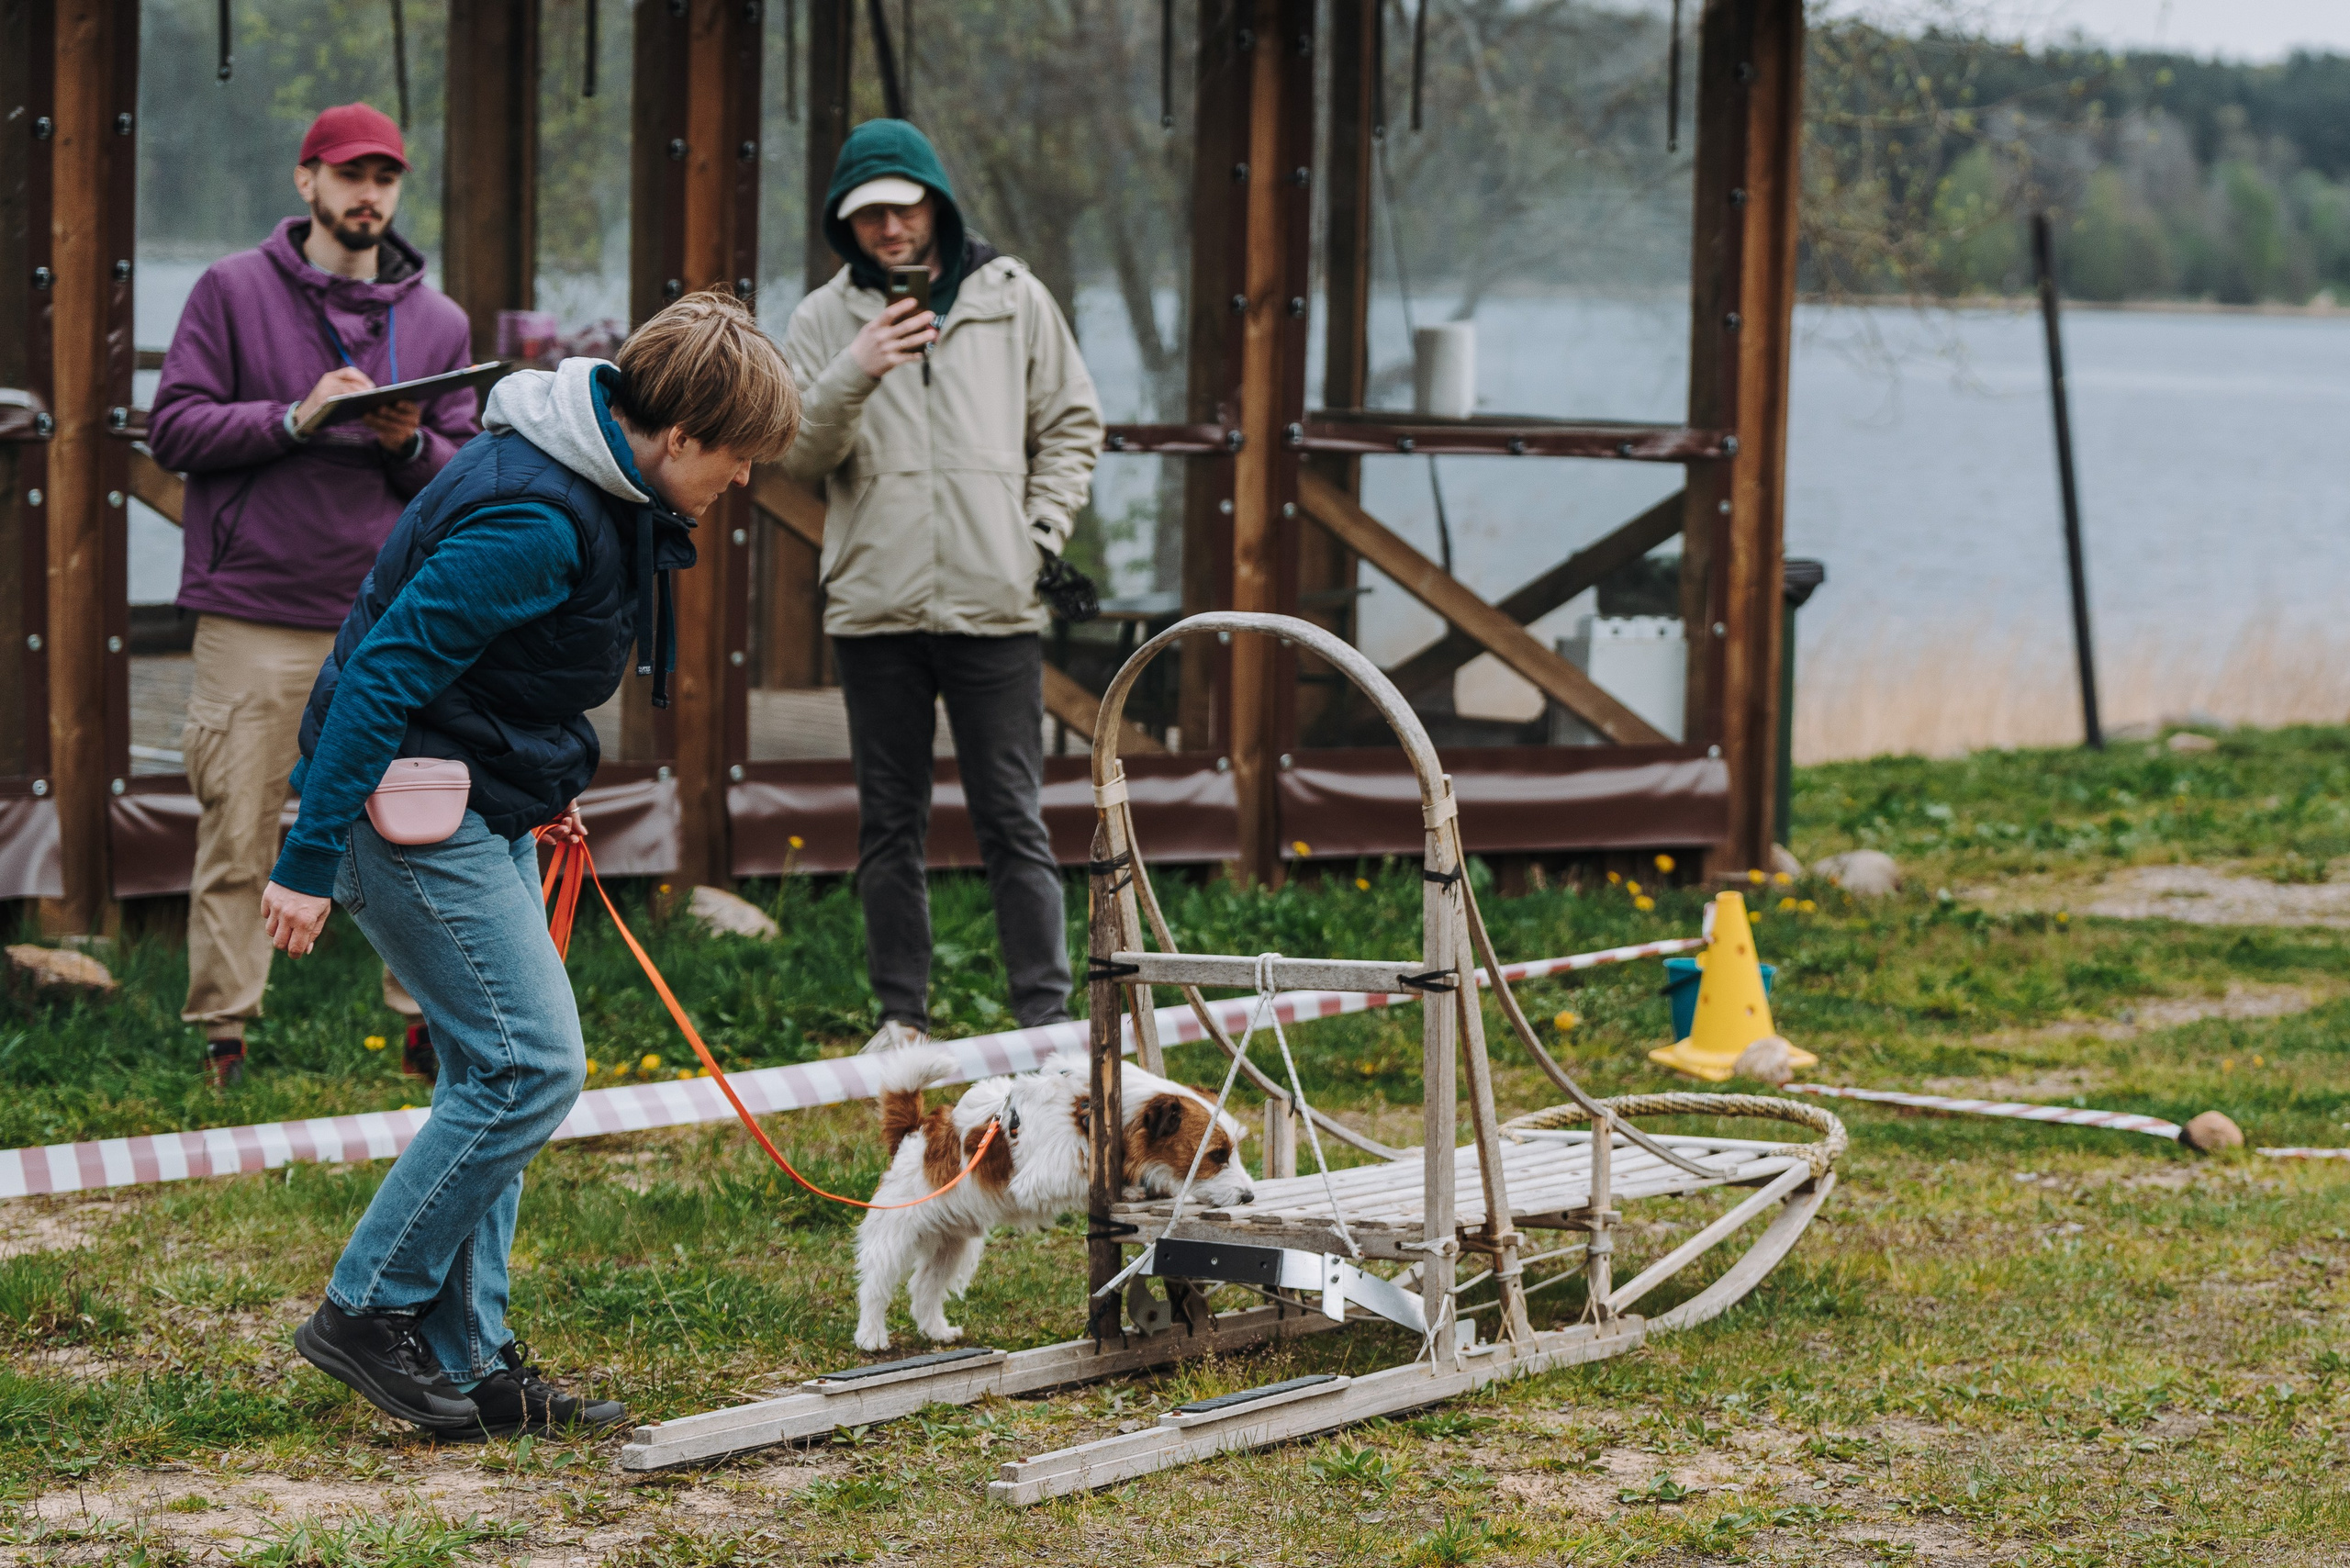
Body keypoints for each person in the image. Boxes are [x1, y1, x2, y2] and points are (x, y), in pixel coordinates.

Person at [260, 291, 800, 1439]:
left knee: (487, 1077)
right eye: (739, 459)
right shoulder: (539, 519)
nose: (743, 483)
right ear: (681, 438)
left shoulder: (600, 486)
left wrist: (542, 790)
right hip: (404, 815)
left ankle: (477, 1358)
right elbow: (380, 676)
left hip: (483, 799)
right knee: (530, 1068)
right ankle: (366, 1307)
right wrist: (308, 858)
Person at [148, 102, 478, 1088]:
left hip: (389, 618)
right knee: (239, 823)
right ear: (307, 182)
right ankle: (225, 1037)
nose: (366, 194)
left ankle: (426, 1024)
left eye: (384, 178)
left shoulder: (438, 321)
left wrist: (409, 443)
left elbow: (469, 473)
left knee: (414, 820)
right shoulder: (229, 289)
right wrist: (296, 417)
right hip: (253, 605)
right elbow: (175, 429)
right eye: (348, 175)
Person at [779, 119, 1105, 1054]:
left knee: (1014, 816)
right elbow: (799, 452)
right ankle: (900, 1019)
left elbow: (1074, 423)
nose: (889, 228)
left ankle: (1044, 1019)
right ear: (847, 225)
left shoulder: (1015, 298)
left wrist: (1036, 533)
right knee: (890, 822)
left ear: (935, 205)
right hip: (875, 607)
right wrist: (855, 369)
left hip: (995, 602)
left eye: (902, 206)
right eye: (868, 214)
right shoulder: (821, 319)